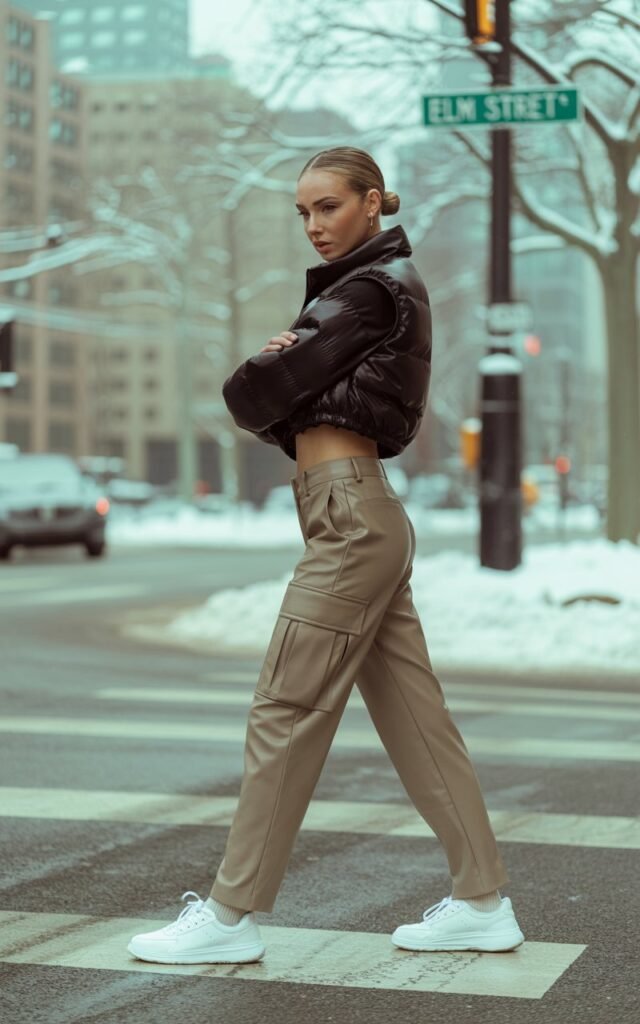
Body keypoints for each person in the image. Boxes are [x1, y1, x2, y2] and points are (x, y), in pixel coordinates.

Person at [127, 146, 525, 965]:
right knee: (417, 720)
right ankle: (482, 900)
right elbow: (282, 410)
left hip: (349, 519)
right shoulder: (375, 289)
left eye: (329, 207)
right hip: (354, 511)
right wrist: (284, 381)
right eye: (302, 211)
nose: (313, 225)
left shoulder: (369, 289)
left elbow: (250, 395)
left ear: (373, 203)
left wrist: (278, 366)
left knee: (286, 710)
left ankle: (231, 917)